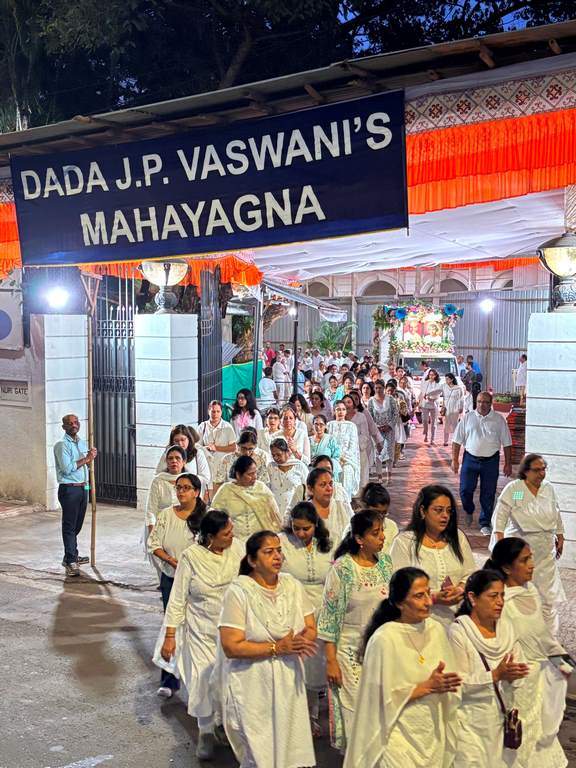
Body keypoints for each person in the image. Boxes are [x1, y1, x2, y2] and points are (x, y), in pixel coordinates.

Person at [217, 530, 317, 768]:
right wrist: (276, 648)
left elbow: (311, 626)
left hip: (288, 681)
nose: (277, 556)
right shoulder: (239, 591)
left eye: (279, 551)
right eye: (269, 552)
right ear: (252, 560)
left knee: (289, 752)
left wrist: (302, 641)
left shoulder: (292, 585)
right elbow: (231, 646)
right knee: (259, 753)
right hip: (252, 684)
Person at [344, 568, 462, 768]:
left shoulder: (436, 630)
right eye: (419, 596)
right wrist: (426, 687)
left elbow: (452, 682)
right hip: (395, 735)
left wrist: (445, 685)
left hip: (432, 731)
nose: (428, 601)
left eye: (428, 593)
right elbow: (376, 700)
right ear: (399, 602)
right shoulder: (384, 638)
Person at [156, 510, 242, 759]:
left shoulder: (238, 549)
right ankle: (205, 732)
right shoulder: (191, 557)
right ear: (211, 537)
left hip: (231, 631)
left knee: (228, 683)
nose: (232, 536)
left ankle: (223, 725)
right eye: (226, 533)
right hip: (200, 632)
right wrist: (170, 636)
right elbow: (177, 598)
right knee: (202, 681)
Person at [488, 537, 569, 767]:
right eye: (524, 560)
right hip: (517, 685)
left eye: (531, 558)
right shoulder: (500, 601)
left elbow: (543, 637)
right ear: (507, 567)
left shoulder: (531, 591)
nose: (532, 564)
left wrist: (563, 664)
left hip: (538, 682)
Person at [317, 509, 392, 752]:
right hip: (349, 655)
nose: (382, 537)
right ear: (359, 538)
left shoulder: (386, 564)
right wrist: (331, 661)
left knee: (381, 714)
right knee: (357, 715)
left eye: (382, 531)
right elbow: (329, 618)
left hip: (381, 652)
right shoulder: (343, 569)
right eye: (375, 533)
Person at [449, 570, 529, 768]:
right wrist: (494, 675)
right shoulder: (459, 632)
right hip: (470, 728)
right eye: (493, 596)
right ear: (472, 598)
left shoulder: (507, 630)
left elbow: (520, 674)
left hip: (502, 722)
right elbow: (457, 684)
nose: (500, 602)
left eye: (502, 595)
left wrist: (514, 675)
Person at [491, 453, 565, 635]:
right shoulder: (517, 490)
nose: (541, 474)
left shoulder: (548, 489)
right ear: (526, 471)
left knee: (547, 596)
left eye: (543, 469)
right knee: (519, 592)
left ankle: (549, 637)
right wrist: (500, 541)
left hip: (545, 549)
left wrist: (560, 535)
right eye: (537, 470)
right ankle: (517, 632)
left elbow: (556, 512)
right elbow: (502, 514)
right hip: (521, 548)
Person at [148, 473, 207, 698]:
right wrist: (172, 561)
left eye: (186, 488)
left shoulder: (207, 516)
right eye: (178, 488)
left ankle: (200, 679)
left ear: (196, 492)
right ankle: (169, 679)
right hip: (171, 578)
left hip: (199, 581)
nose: (181, 492)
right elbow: (154, 544)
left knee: (198, 628)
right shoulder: (166, 515)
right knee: (171, 626)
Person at [280, 502, 334, 734]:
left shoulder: (329, 544)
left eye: (306, 529)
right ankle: (296, 717)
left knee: (317, 666)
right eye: (296, 528)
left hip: (323, 610)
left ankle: (312, 715)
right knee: (297, 665)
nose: (300, 534)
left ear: (316, 525)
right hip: (293, 611)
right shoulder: (282, 542)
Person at [390, 484, 475, 626]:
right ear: (422, 511)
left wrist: (459, 589)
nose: (445, 516)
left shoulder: (458, 537)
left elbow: (470, 573)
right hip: (419, 622)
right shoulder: (404, 542)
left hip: (456, 620)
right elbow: (398, 588)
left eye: (449, 511)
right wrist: (434, 598)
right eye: (438, 510)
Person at [452, 390, 513, 535]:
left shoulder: (499, 420)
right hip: (470, 459)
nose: (482, 405)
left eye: (485, 402)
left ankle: (485, 522)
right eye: (479, 402)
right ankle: (469, 510)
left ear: (490, 404)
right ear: (476, 402)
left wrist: (508, 463)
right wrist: (454, 460)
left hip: (491, 461)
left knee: (488, 492)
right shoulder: (468, 418)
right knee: (465, 490)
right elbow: (456, 441)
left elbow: (507, 443)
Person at [53, 413, 97, 576]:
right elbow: (67, 468)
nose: (74, 425)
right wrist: (87, 458)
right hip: (69, 489)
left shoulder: (82, 442)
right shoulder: (62, 445)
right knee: (70, 526)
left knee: (77, 525)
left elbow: (85, 464)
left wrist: (91, 457)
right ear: (64, 427)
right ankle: (71, 560)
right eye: (70, 423)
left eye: (76, 422)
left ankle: (70, 555)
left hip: (82, 488)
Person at [211, 455, 281, 540]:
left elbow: (275, 514)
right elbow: (213, 515)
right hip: (235, 541)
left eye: (255, 472)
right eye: (250, 474)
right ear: (238, 475)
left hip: (260, 541)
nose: (254, 476)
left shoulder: (262, 488)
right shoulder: (226, 490)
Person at [154, 424, 211, 495]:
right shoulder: (167, 453)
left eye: (183, 440)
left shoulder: (197, 453)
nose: (180, 444)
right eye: (176, 441)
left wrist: (187, 481)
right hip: (171, 493)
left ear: (189, 439)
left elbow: (205, 477)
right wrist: (172, 480)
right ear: (172, 441)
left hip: (191, 495)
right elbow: (158, 474)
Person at [146, 444, 187, 537]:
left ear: (184, 462)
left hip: (184, 529)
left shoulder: (190, 481)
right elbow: (151, 511)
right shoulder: (158, 481)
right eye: (170, 458)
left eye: (177, 458)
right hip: (161, 528)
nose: (174, 461)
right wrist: (153, 535)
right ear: (166, 462)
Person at [196, 401, 237, 491]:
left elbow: (233, 448)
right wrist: (205, 448)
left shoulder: (227, 427)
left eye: (218, 411)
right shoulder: (202, 426)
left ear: (221, 412)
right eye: (213, 411)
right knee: (208, 490)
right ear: (208, 411)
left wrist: (216, 448)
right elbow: (197, 447)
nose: (215, 414)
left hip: (222, 467)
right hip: (207, 466)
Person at [267, 438, 309, 520]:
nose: (275, 458)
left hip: (295, 512)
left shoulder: (299, 466)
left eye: (278, 454)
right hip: (275, 512)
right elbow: (267, 489)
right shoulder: (271, 467)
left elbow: (308, 489)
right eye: (273, 455)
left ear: (287, 452)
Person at [328, 401, 360, 500]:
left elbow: (352, 446)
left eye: (343, 409)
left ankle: (346, 502)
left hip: (347, 460)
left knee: (347, 471)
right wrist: (335, 459)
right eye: (338, 409)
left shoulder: (351, 426)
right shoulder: (329, 425)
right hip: (332, 459)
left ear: (346, 411)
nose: (340, 412)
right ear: (334, 411)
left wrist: (343, 459)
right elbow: (327, 444)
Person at [367, 379, 398, 483]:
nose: (378, 390)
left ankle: (389, 477)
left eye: (380, 388)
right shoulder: (371, 401)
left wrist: (389, 425)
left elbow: (395, 414)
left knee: (389, 452)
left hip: (389, 430)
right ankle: (379, 477)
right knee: (378, 452)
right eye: (376, 388)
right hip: (377, 431)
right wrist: (376, 427)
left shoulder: (390, 399)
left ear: (384, 388)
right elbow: (370, 416)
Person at [419, 368, 443, 445]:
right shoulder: (425, 383)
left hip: (434, 403)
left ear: (435, 376)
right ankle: (426, 434)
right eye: (430, 375)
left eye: (432, 375)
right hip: (425, 403)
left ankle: (432, 439)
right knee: (425, 420)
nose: (431, 376)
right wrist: (420, 402)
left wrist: (432, 398)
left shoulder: (438, 384)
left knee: (434, 422)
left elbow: (438, 393)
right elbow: (422, 393)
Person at [441, 372, 463, 447]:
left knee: (454, 424)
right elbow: (443, 396)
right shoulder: (444, 386)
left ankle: (455, 440)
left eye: (447, 379)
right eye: (445, 379)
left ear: (452, 379)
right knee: (446, 424)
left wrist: (461, 407)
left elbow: (461, 399)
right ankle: (445, 441)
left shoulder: (458, 388)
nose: (446, 380)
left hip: (455, 408)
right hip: (446, 408)